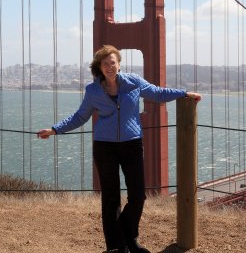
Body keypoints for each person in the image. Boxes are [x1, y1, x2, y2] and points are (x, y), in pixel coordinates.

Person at [37, 45, 201, 253]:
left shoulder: (133, 82)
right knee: (111, 198)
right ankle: (116, 247)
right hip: (105, 147)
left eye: (112, 62)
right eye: (105, 64)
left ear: (119, 64)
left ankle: (128, 237)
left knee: (138, 195)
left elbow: (158, 94)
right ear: (100, 67)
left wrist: (184, 93)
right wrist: (54, 130)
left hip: (131, 144)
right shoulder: (93, 90)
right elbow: (80, 117)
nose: (109, 67)